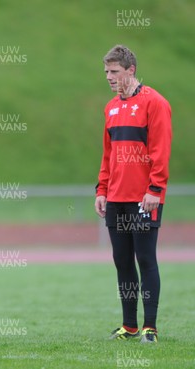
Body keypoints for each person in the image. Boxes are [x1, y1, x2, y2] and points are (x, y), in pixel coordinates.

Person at [95, 45, 172, 343]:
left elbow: (161, 150)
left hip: (144, 198)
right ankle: (129, 326)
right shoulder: (111, 107)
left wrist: (155, 188)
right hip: (116, 198)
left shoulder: (155, 103)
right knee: (122, 261)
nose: (109, 77)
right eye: (106, 72)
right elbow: (107, 155)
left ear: (131, 70)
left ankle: (150, 327)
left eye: (115, 72)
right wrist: (102, 189)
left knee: (145, 258)